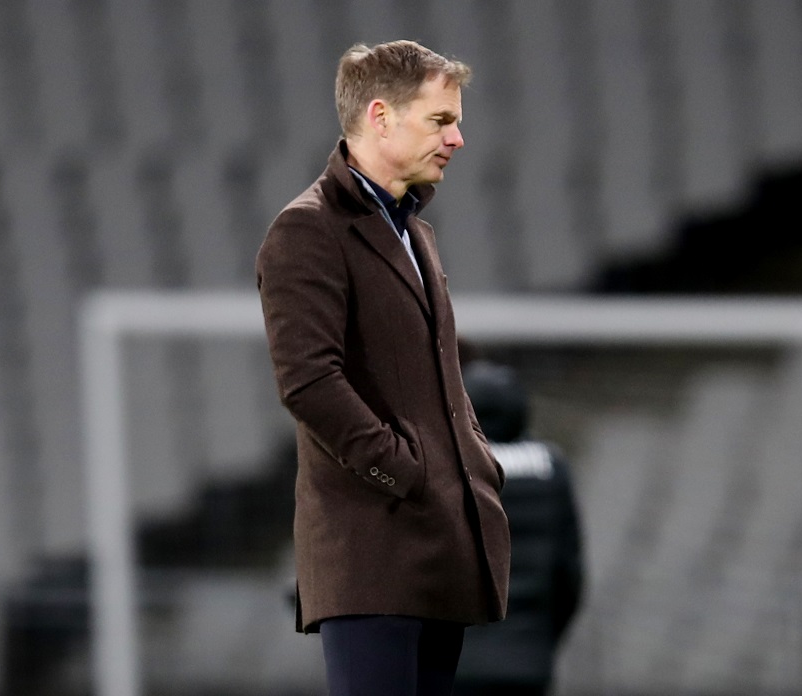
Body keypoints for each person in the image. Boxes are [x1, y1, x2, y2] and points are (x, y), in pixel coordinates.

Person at [255, 40, 510, 696]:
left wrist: (475, 465)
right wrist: (406, 473)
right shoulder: (306, 230)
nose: (457, 138)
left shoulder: (415, 231)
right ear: (380, 116)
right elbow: (310, 382)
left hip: (434, 543)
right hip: (373, 547)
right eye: (440, 120)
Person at [454, 361, 584, 696]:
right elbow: (569, 576)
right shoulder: (552, 468)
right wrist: (541, 643)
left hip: (455, 665)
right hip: (527, 662)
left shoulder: (446, 468)